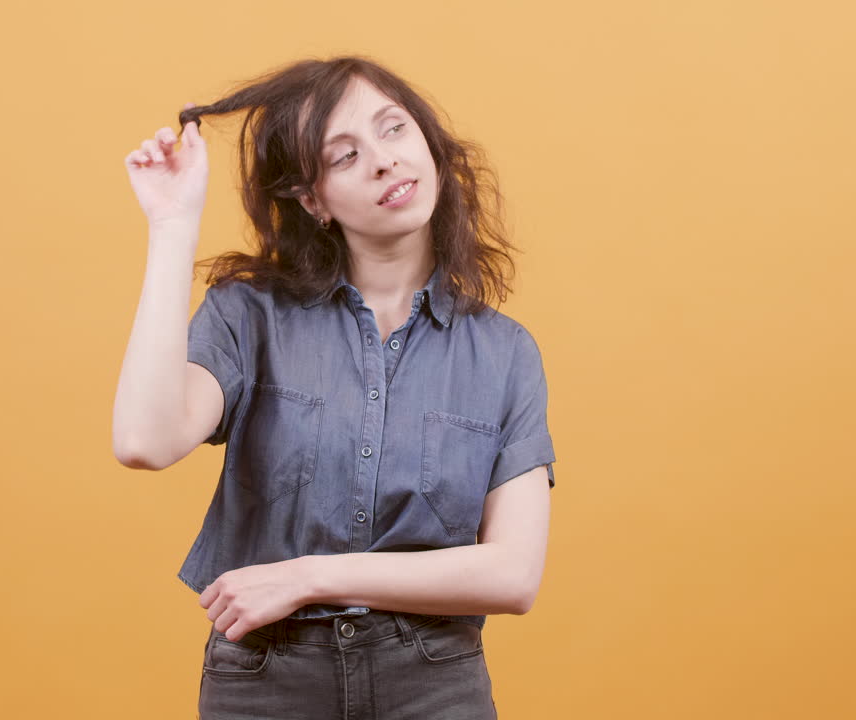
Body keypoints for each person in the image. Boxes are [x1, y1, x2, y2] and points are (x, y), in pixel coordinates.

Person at [113, 55, 556, 720]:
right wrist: (172, 227)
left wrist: (308, 577)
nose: (383, 161)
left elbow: (513, 575)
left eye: (395, 129)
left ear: (430, 144)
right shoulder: (248, 317)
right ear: (312, 200)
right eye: (345, 156)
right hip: (267, 682)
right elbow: (145, 440)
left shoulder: (505, 353)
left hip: (433, 685)